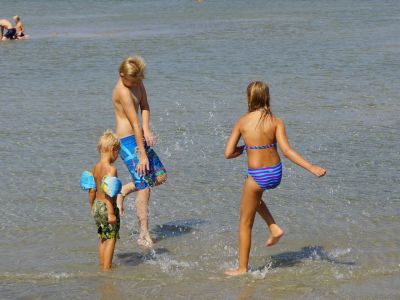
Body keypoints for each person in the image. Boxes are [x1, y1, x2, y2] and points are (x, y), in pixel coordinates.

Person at [224, 81, 326, 276]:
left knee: (245, 222)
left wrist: (244, 148)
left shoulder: (242, 121)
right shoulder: (277, 121)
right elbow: (287, 151)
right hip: (275, 173)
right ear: (267, 97)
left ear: (249, 98)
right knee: (254, 198)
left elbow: (228, 153)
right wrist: (311, 167)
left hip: (257, 176)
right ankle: (274, 227)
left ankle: (242, 268)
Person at [112, 55, 167, 248]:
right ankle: (143, 233)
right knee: (144, 185)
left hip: (138, 136)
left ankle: (124, 191)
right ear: (122, 75)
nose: (136, 83)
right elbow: (134, 124)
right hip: (127, 140)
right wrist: (142, 154)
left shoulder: (137, 82)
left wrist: (147, 128)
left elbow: (144, 106)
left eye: (138, 80)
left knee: (160, 176)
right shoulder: (123, 92)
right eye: (133, 80)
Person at [80, 130, 122, 270]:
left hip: (97, 206)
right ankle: (107, 268)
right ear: (112, 149)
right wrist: (111, 213)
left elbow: (92, 190)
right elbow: (109, 193)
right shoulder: (111, 169)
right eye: (118, 151)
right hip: (107, 207)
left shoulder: (95, 168)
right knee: (111, 238)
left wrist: (92, 206)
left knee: (103, 237)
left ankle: (102, 264)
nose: (118, 155)